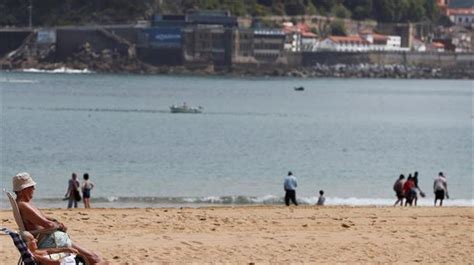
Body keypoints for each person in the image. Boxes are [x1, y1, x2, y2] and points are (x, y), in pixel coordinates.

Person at [13, 172, 107, 264]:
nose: (34, 188)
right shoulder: (24, 206)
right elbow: (48, 224)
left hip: (51, 238)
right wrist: (59, 226)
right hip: (51, 241)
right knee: (96, 259)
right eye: (31, 186)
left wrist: (56, 222)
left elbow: (46, 219)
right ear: (23, 190)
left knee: (93, 257)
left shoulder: (24, 203)